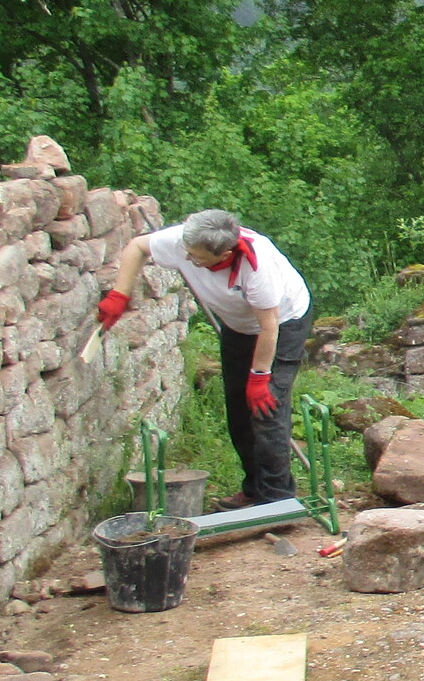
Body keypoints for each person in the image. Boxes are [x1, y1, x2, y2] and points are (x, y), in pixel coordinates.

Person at [100, 209, 314, 508]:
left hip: (283, 324)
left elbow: (269, 328)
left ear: (224, 253)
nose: (188, 259)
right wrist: (119, 295)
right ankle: (254, 488)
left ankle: (276, 501)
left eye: (197, 257)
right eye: (187, 253)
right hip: (238, 326)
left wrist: (259, 377)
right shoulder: (187, 240)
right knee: (238, 410)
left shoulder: (258, 267)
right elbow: (138, 246)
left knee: (265, 410)